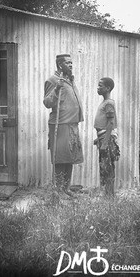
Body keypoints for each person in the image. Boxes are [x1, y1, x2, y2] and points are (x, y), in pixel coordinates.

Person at [43, 54, 84, 197]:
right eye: (68, 63)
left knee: (70, 158)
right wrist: (56, 89)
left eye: (72, 63)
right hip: (60, 125)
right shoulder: (53, 80)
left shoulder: (69, 80)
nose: (71, 65)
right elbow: (47, 102)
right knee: (60, 159)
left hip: (72, 125)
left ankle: (65, 189)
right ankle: (59, 191)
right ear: (60, 65)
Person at [94, 77, 120, 196]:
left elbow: (110, 123)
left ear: (108, 88)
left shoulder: (109, 103)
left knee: (107, 167)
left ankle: (109, 196)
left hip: (107, 140)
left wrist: (104, 142)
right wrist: (99, 138)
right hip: (103, 137)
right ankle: (107, 194)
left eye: (100, 86)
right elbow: (105, 123)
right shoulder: (105, 102)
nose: (98, 88)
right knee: (104, 166)